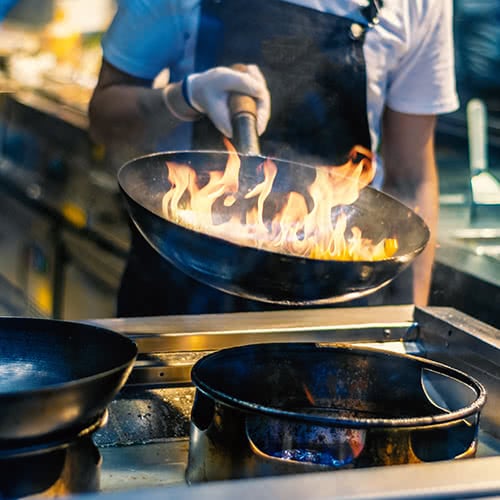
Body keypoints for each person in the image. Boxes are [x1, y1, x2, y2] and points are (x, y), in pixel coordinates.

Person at [89, 0, 459, 317]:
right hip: (184, 292)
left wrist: (410, 327)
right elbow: (104, 119)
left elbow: (412, 178)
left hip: (330, 309)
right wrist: (183, 97)